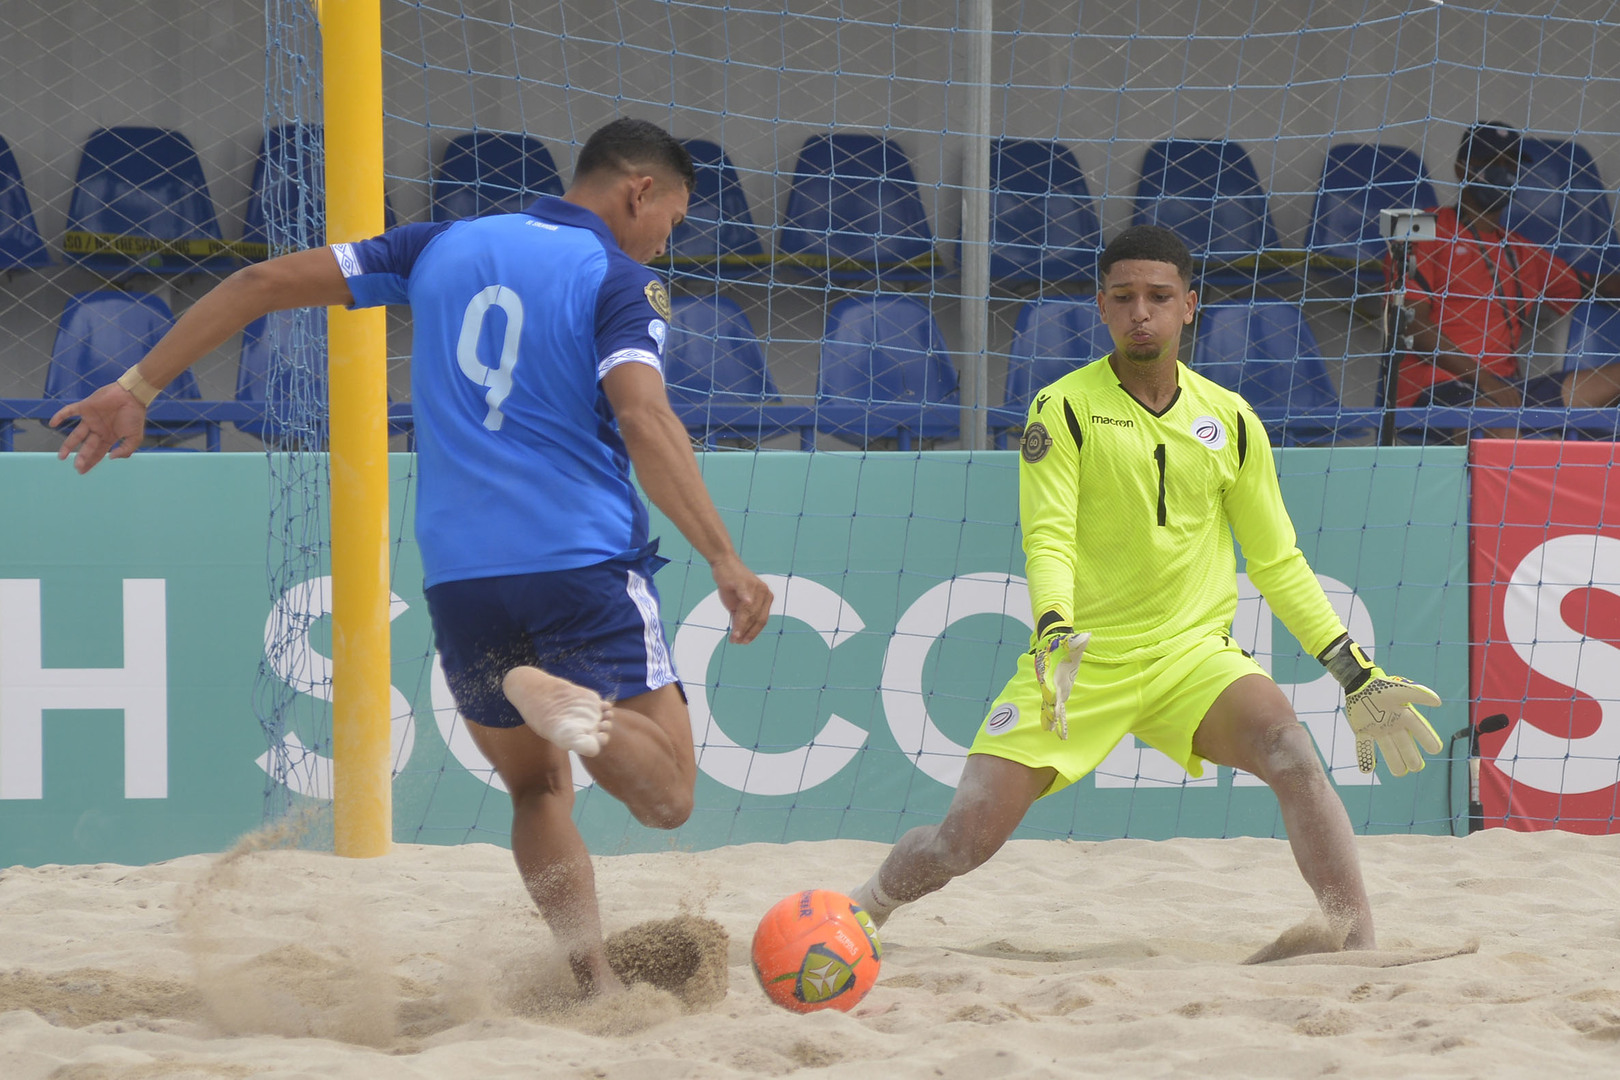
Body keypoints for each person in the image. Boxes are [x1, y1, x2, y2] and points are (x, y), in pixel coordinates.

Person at [50, 117, 775, 996]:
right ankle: (584, 715)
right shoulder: (622, 281)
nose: (670, 237)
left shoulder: (440, 244)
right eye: (675, 216)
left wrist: (136, 389)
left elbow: (258, 281)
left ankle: (593, 983)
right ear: (640, 191)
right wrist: (725, 557)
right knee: (669, 797)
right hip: (578, 560)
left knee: (538, 793)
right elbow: (643, 416)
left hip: (463, 577)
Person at [851, 225, 1443, 960]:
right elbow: (1049, 540)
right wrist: (1054, 627)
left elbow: (1278, 562)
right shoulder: (1061, 409)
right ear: (1101, 306)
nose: (1142, 313)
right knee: (960, 841)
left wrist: (1352, 670)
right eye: (1125, 297)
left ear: (1189, 306)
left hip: (1191, 658)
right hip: (1077, 663)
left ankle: (1355, 944)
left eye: (1159, 297)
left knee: (1291, 749)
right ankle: (861, 913)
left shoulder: (1230, 419)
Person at [1392, 121, 1620, 429]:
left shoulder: (1520, 248)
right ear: (1462, 168)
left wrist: (1495, 384)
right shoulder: (1415, 224)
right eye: (1491, 162)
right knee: (1501, 429)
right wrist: (1484, 379)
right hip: (1434, 390)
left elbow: (1594, 286)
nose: (1504, 171)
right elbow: (1410, 322)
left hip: (1508, 391)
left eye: (1511, 164)